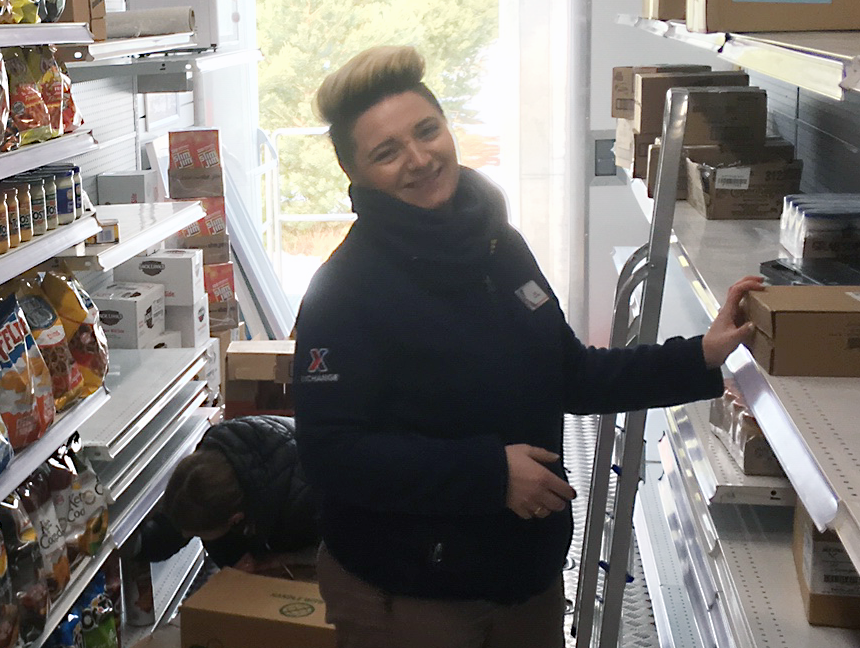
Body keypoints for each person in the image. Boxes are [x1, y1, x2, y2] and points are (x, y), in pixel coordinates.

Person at [291, 45, 764, 648]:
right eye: (386, 152)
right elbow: (331, 455)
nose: (418, 158)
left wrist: (699, 354)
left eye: (427, 131)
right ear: (357, 177)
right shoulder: (345, 290)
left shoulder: (498, 246)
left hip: (524, 575)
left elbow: (567, 373)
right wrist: (488, 475)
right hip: (411, 595)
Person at [135, 415, 321, 576]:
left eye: (197, 533)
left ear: (236, 519)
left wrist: (281, 559)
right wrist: (134, 546)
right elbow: (175, 529)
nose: (186, 535)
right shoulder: (206, 476)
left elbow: (340, 550)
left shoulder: (305, 497)